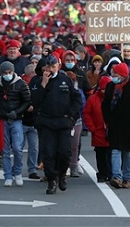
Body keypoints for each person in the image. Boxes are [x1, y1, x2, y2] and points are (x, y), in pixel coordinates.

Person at [30, 55, 81, 194]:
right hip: (46, 122)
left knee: (65, 152)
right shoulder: (38, 81)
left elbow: (77, 99)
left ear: (58, 66)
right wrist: (43, 84)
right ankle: (52, 180)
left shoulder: (65, 80)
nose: (50, 69)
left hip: (63, 122)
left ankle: (62, 175)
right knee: (49, 153)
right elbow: (34, 101)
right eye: (48, 67)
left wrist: (70, 114)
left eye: (53, 67)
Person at [102, 63, 130, 189]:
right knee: (115, 150)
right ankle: (116, 176)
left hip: (129, 125)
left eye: (115, 74)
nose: (113, 76)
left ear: (122, 75)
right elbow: (105, 104)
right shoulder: (111, 87)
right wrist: (108, 119)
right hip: (115, 124)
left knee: (128, 152)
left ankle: (127, 177)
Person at [0, 61, 31, 187]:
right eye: (5, 73)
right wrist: (0, 112)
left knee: (18, 148)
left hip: (17, 119)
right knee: (5, 149)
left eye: (9, 72)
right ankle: (7, 175)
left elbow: (27, 100)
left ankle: (18, 172)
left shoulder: (21, 83)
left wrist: (17, 112)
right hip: (3, 119)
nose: (7, 75)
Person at [84, 76, 111, 182]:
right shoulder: (93, 99)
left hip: (111, 131)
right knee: (100, 154)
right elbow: (87, 113)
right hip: (98, 131)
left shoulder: (115, 97)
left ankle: (111, 172)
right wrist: (92, 128)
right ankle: (102, 173)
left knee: (111, 154)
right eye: (103, 89)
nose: (105, 91)